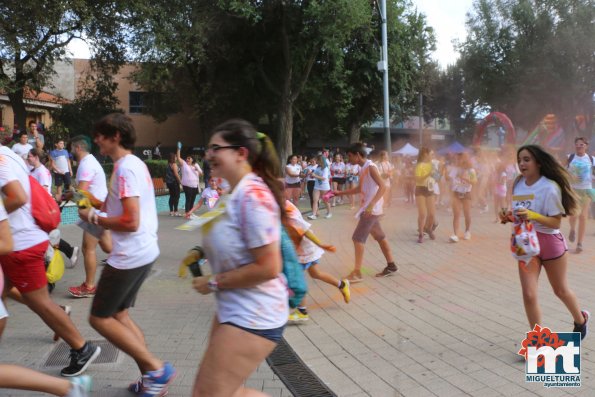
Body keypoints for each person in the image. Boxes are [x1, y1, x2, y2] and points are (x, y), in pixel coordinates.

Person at [79, 113, 176, 396]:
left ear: (116, 136)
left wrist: (94, 217)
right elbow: (119, 209)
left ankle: (157, 370)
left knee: (99, 318)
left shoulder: (125, 170)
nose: (96, 140)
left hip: (130, 256)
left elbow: (130, 221)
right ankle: (152, 379)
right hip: (141, 252)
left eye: (100, 135)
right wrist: (89, 204)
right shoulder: (129, 165)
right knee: (119, 315)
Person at [191, 119, 288, 397]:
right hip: (233, 309)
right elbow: (236, 241)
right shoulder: (234, 193)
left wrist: (213, 282)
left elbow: (269, 266)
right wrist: (200, 252)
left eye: (215, 148)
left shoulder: (254, 196)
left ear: (240, 153)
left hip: (254, 313)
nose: (208, 155)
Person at [0, 144, 100, 377]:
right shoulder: (8, 153)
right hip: (20, 240)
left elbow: (17, 196)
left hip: (20, 244)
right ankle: (63, 317)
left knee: (40, 303)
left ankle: (82, 347)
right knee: (8, 291)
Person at [0, 201, 91, 397]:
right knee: (32, 298)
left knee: (40, 301)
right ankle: (69, 387)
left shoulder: (8, 174)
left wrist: (89, 212)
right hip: (32, 245)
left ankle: (74, 373)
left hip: (28, 249)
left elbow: (19, 198)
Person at [499, 144, 589, 339]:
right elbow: (519, 214)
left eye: (526, 159)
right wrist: (509, 217)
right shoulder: (518, 183)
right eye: (519, 160)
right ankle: (537, 340)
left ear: (538, 163)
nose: (522, 164)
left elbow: (555, 221)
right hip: (526, 244)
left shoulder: (550, 187)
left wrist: (532, 215)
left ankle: (581, 320)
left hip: (551, 243)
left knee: (560, 290)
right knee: (529, 295)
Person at [333, 142, 397, 283]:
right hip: (370, 208)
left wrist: (371, 205)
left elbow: (383, 187)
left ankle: (357, 273)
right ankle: (391, 265)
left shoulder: (371, 167)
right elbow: (359, 189)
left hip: (370, 210)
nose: (348, 159)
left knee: (358, 238)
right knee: (380, 236)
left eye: (349, 156)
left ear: (357, 155)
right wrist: (339, 193)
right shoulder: (363, 168)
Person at [285, 201, 350, 322]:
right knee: (315, 273)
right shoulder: (283, 204)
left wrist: (321, 244)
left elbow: (305, 231)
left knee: (297, 278)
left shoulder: (288, 213)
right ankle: (342, 285)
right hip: (303, 248)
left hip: (304, 250)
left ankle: (302, 311)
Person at [67, 135, 112, 299]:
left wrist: (82, 212)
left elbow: (82, 192)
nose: (70, 151)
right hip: (100, 211)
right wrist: (70, 196)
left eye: (71, 147)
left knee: (88, 248)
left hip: (95, 212)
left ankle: (89, 286)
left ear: (78, 147)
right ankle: (134, 262)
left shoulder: (86, 165)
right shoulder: (91, 162)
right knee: (108, 247)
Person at [566, 137, 594, 253]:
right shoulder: (569, 157)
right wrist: (571, 177)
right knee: (573, 215)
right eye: (577, 144)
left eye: (581, 144)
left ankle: (579, 243)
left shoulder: (592, 159)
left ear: (586, 146)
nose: (579, 146)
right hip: (573, 190)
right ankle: (572, 229)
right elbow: (561, 172)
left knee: (583, 216)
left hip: (586, 190)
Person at [447, 152, 477, 242]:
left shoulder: (471, 170)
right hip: (456, 193)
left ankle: (467, 231)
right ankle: (455, 234)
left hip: (466, 193)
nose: (458, 160)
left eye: (460, 159)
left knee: (467, 214)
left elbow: (474, 181)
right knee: (456, 214)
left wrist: (465, 178)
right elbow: (449, 179)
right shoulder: (455, 169)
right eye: (457, 159)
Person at [414, 147, 437, 243]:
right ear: (425, 155)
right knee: (423, 214)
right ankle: (421, 234)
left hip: (430, 189)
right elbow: (418, 179)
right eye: (431, 154)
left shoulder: (434, 164)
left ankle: (428, 228)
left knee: (431, 214)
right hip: (420, 189)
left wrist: (437, 175)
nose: (432, 156)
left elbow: (437, 176)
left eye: (433, 154)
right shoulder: (419, 165)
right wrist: (428, 174)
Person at [177, 146, 202, 214]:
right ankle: (187, 213)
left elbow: (201, 174)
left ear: (192, 159)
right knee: (188, 199)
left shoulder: (196, 165)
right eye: (187, 158)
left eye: (189, 158)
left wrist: (196, 169)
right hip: (187, 185)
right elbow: (178, 158)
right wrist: (179, 149)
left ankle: (190, 212)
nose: (187, 159)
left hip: (194, 185)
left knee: (193, 199)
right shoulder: (184, 165)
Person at [308, 155, 332, 220]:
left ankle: (329, 213)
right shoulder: (317, 168)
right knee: (315, 200)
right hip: (317, 186)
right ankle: (314, 214)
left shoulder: (325, 168)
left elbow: (324, 178)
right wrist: (311, 174)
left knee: (325, 200)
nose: (316, 161)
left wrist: (315, 175)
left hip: (324, 186)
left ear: (321, 160)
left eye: (317, 160)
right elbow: (314, 175)